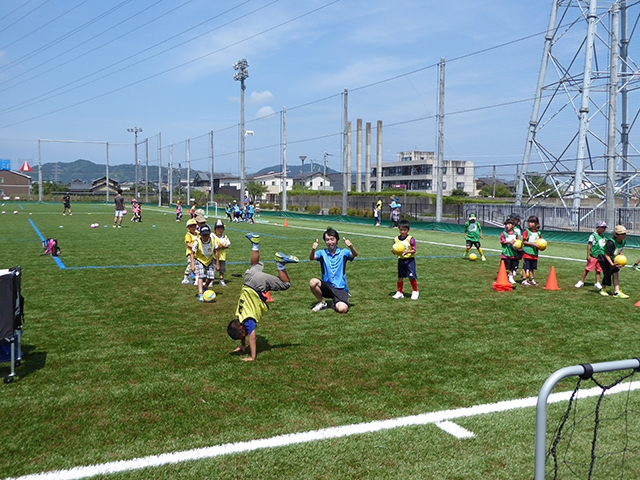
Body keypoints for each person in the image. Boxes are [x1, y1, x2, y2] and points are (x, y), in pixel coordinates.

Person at [226, 234, 299, 361]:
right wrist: (243, 345)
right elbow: (244, 332)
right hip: (248, 279)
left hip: (257, 284)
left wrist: (252, 357)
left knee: (285, 284)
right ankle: (255, 243)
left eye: (243, 335)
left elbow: (252, 336)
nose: (246, 335)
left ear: (242, 329)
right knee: (254, 264)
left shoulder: (248, 320)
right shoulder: (240, 315)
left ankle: (280, 264)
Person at [309, 227, 358, 313]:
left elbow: (354, 254)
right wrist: (313, 249)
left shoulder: (343, 252)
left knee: (342, 309)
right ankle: (322, 303)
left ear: (337, 240)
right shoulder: (322, 253)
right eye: (327, 240)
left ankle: (336, 302)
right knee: (313, 282)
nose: (330, 242)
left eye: (332, 239)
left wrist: (351, 246)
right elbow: (311, 258)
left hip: (340, 287)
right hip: (327, 286)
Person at [597, 224, 629, 298]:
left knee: (615, 273)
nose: (624, 235)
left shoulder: (623, 241)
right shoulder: (611, 243)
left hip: (612, 257)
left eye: (625, 234)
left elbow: (619, 249)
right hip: (603, 257)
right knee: (607, 273)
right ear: (616, 235)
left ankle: (617, 292)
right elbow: (606, 254)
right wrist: (612, 264)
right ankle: (603, 289)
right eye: (622, 234)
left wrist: (621, 255)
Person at [392, 219, 419, 300]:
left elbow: (414, 250)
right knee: (400, 277)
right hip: (401, 260)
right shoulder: (396, 239)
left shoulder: (411, 239)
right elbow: (394, 249)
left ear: (408, 230)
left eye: (404, 230)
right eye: (401, 230)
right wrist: (394, 251)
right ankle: (399, 292)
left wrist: (407, 251)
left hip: (409, 260)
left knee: (411, 276)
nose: (402, 232)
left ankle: (415, 291)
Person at [575, 221, 606, 289]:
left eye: (604, 228)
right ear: (597, 228)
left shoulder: (603, 236)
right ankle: (581, 281)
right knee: (587, 269)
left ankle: (597, 282)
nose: (603, 229)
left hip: (600, 256)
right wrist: (588, 255)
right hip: (593, 256)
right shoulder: (593, 236)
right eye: (602, 227)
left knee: (599, 270)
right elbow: (589, 245)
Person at [190, 225, 216, 300]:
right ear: (200, 235)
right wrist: (192, 265)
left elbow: (216, 251)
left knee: (211, 276)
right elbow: (192, 253)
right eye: (204, 235)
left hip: (209, 260)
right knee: (201, 276)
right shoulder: (197, 242)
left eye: (207, 234)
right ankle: (200, 293)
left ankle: (205, 287)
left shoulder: (212, 240)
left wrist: (217, 263)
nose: (206, 236)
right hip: (199, 260)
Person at [521, 215, 542, 286]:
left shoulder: (538, 233)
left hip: (534, 253)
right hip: (527, 252)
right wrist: (532, 244)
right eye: (529, 222)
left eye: (532, 222)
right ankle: (524, 279)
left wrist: (541, 247)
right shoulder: (526, 231)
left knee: (532, 267)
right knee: (525, 267)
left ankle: (531, 279)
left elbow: (541, 242)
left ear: (536, 224)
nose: (530, 224)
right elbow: (524, 241)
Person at [499, 218, 520, 285]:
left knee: (512, 266)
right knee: (505, 266)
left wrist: (518, 246)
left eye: (509, 224)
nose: (507, 226)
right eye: (506, 224)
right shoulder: (503, 234)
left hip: (514, 253)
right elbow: (502, 241)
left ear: (513, 225)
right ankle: (503, 276)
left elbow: (518, 241)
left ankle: (510, 277)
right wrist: (509, 242)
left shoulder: (515, 234)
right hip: (506, 253)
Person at [213, 219, 230, 286]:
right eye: (218, 228)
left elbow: (227, 245)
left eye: (221, 228)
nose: (220, 230)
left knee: (222, 270)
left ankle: (221, 280)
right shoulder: (213, 236)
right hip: (214, 256)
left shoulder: (225, 237)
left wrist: (223, 246)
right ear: (215, 229)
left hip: (222, 256)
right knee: (213, 269)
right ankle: (211, 280)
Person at [181, 219, 199, 284]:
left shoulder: (197, 234)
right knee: (191, 265)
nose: (193, 228)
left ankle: (197, 279)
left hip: (197, 253)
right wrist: (195, 247)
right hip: (190, 253)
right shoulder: (188, 235)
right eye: (191, 226)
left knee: (197, 266)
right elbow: (188, 244)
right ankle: (186, 277)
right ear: (187, 227)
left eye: (194, 226)